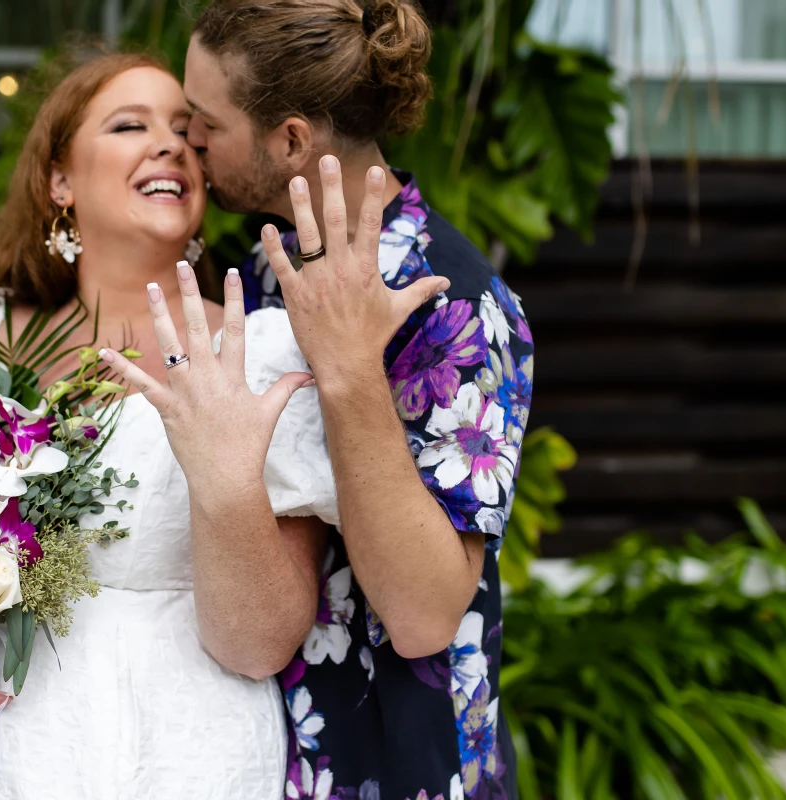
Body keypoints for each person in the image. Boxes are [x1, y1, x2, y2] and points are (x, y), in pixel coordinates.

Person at [0, 53, 338, 799]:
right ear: (59, 180)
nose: (170, 145)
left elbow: (260, 644)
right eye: (130, 125)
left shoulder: (264, 350)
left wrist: (221, 466)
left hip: (184, 755)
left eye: (188, 132)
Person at [182, 1, 533, 797]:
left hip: (398, 763)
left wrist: (347, 370)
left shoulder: (455, 304)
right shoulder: (263, 267)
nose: (189, 140)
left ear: (293, 140)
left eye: (206, 121)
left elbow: (423, 616)